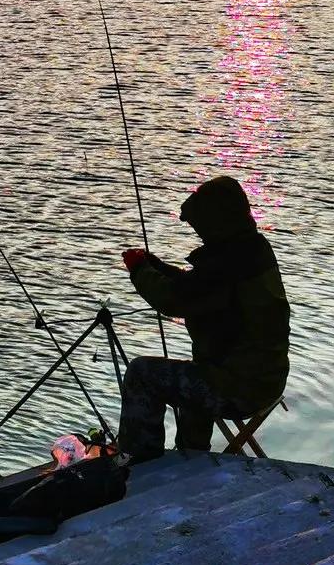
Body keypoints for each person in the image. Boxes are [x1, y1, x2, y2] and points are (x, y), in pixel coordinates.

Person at [117, 175, 290, 463]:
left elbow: (173, 300)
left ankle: (139, 463)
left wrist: (139, 270)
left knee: (141, 374)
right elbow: (195, 287)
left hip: (240, 390)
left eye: (200, 225)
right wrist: (156, 266)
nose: (199, 232)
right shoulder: (252, 250)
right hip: (266, 379)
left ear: (216, 221)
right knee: (196, 375)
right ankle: (191, 458)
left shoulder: (227, 263)